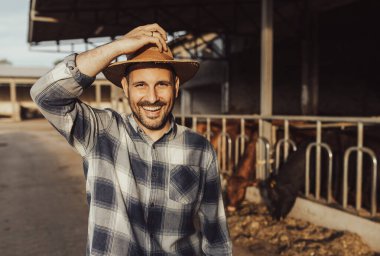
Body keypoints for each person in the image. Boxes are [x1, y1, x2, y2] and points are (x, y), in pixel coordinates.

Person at [31, 23, 232, 255]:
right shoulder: (101, 132)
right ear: (125, 87)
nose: (152, 97)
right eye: (140, 85)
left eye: (162, 84)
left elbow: (216, 236)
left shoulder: (199, 148)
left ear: (176, 86)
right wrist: (117, 47)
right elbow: (46, 96)